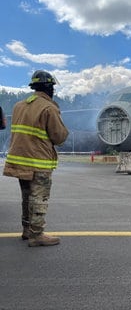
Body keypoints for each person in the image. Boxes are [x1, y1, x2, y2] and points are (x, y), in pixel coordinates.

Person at [3, 70, 69, 247]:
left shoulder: (19, 106)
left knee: (27, 197)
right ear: (49, 87)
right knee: (39, 198)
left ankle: (26, 230)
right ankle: (37, 234)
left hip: (19, 161)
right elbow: (59, 137)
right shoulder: (48, 108)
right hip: (38, 161)